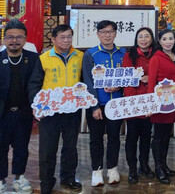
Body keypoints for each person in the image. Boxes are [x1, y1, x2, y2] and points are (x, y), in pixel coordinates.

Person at [28, 25, 83, 194]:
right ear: (53, 39)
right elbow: (34, 84)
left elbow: (84, 81)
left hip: (72, 111)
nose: (66, 40)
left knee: (70, 147)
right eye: (62, 37)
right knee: (47, 149)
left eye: (69, 37)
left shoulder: (80, 56)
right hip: (49, 112)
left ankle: (68, 178)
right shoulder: (44, 58)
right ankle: (46, 182)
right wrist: (36, 106)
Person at [83, 20, 126, 187]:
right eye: (103, 32)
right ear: (98, 34)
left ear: (115, 33)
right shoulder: (91, 54)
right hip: (97, 105)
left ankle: (113, 169)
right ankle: (97, 171)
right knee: (96, 139)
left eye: (110, 31)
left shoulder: (123, 54)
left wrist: (119, 85)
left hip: (116, 104)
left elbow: (127, 78)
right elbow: (88, 81)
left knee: (115, 137)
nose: (107, 35)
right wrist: (94, 106)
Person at [0, 19, 38, 193]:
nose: (14, 40)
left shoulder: (33, 59)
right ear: (4, 39)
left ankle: (19, 178)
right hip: (2, 114)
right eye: (10, 37)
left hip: (23, 113)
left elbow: (36, 84)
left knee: (22, 146)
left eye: (19, 37)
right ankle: (0, 180)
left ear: (25, 39)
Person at [147, 29, 175, 184]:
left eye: (170, 38)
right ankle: (158, 167)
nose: (168, 41)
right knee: (159, 136)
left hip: (173, 102)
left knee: (166, 135)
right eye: (164, 39)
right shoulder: (156, 57)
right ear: (159, 42)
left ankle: (164, 164)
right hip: (161, 103)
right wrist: (151, 103)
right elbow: (151, 82)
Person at [122, 27, 157, 184]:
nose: (143, 39)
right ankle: (132, 168)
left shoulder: (156, 54)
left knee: (145, 137)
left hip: (150, 102)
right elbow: (125, 78)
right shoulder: (130, 55)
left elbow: (160, 76)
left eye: (147, 36)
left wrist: (151, 79)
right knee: (131, 138)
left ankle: (144, 165)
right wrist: (137, 79)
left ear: (151, 39)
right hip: (134, 103)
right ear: (136, 39)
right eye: (140, 37)